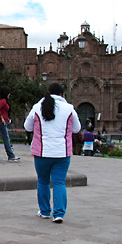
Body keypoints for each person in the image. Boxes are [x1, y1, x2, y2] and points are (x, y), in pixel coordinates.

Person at [23, 83, 81, 223]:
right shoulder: (69, 109)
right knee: (59, 183)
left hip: (42, 152)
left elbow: (27, 126)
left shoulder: (38, 107)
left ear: (48, 92)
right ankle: (59, 213)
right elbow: (76, 128)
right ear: (62, 94)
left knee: (43, 181)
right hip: (62, 153)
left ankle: (44, 211)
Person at [0, 86, 20, 162]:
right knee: (6, 138)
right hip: (0, 122)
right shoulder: (3, 101)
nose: (10, 94)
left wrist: (6, 119)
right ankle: (11, 156)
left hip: (0, 121)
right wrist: (2, 118)